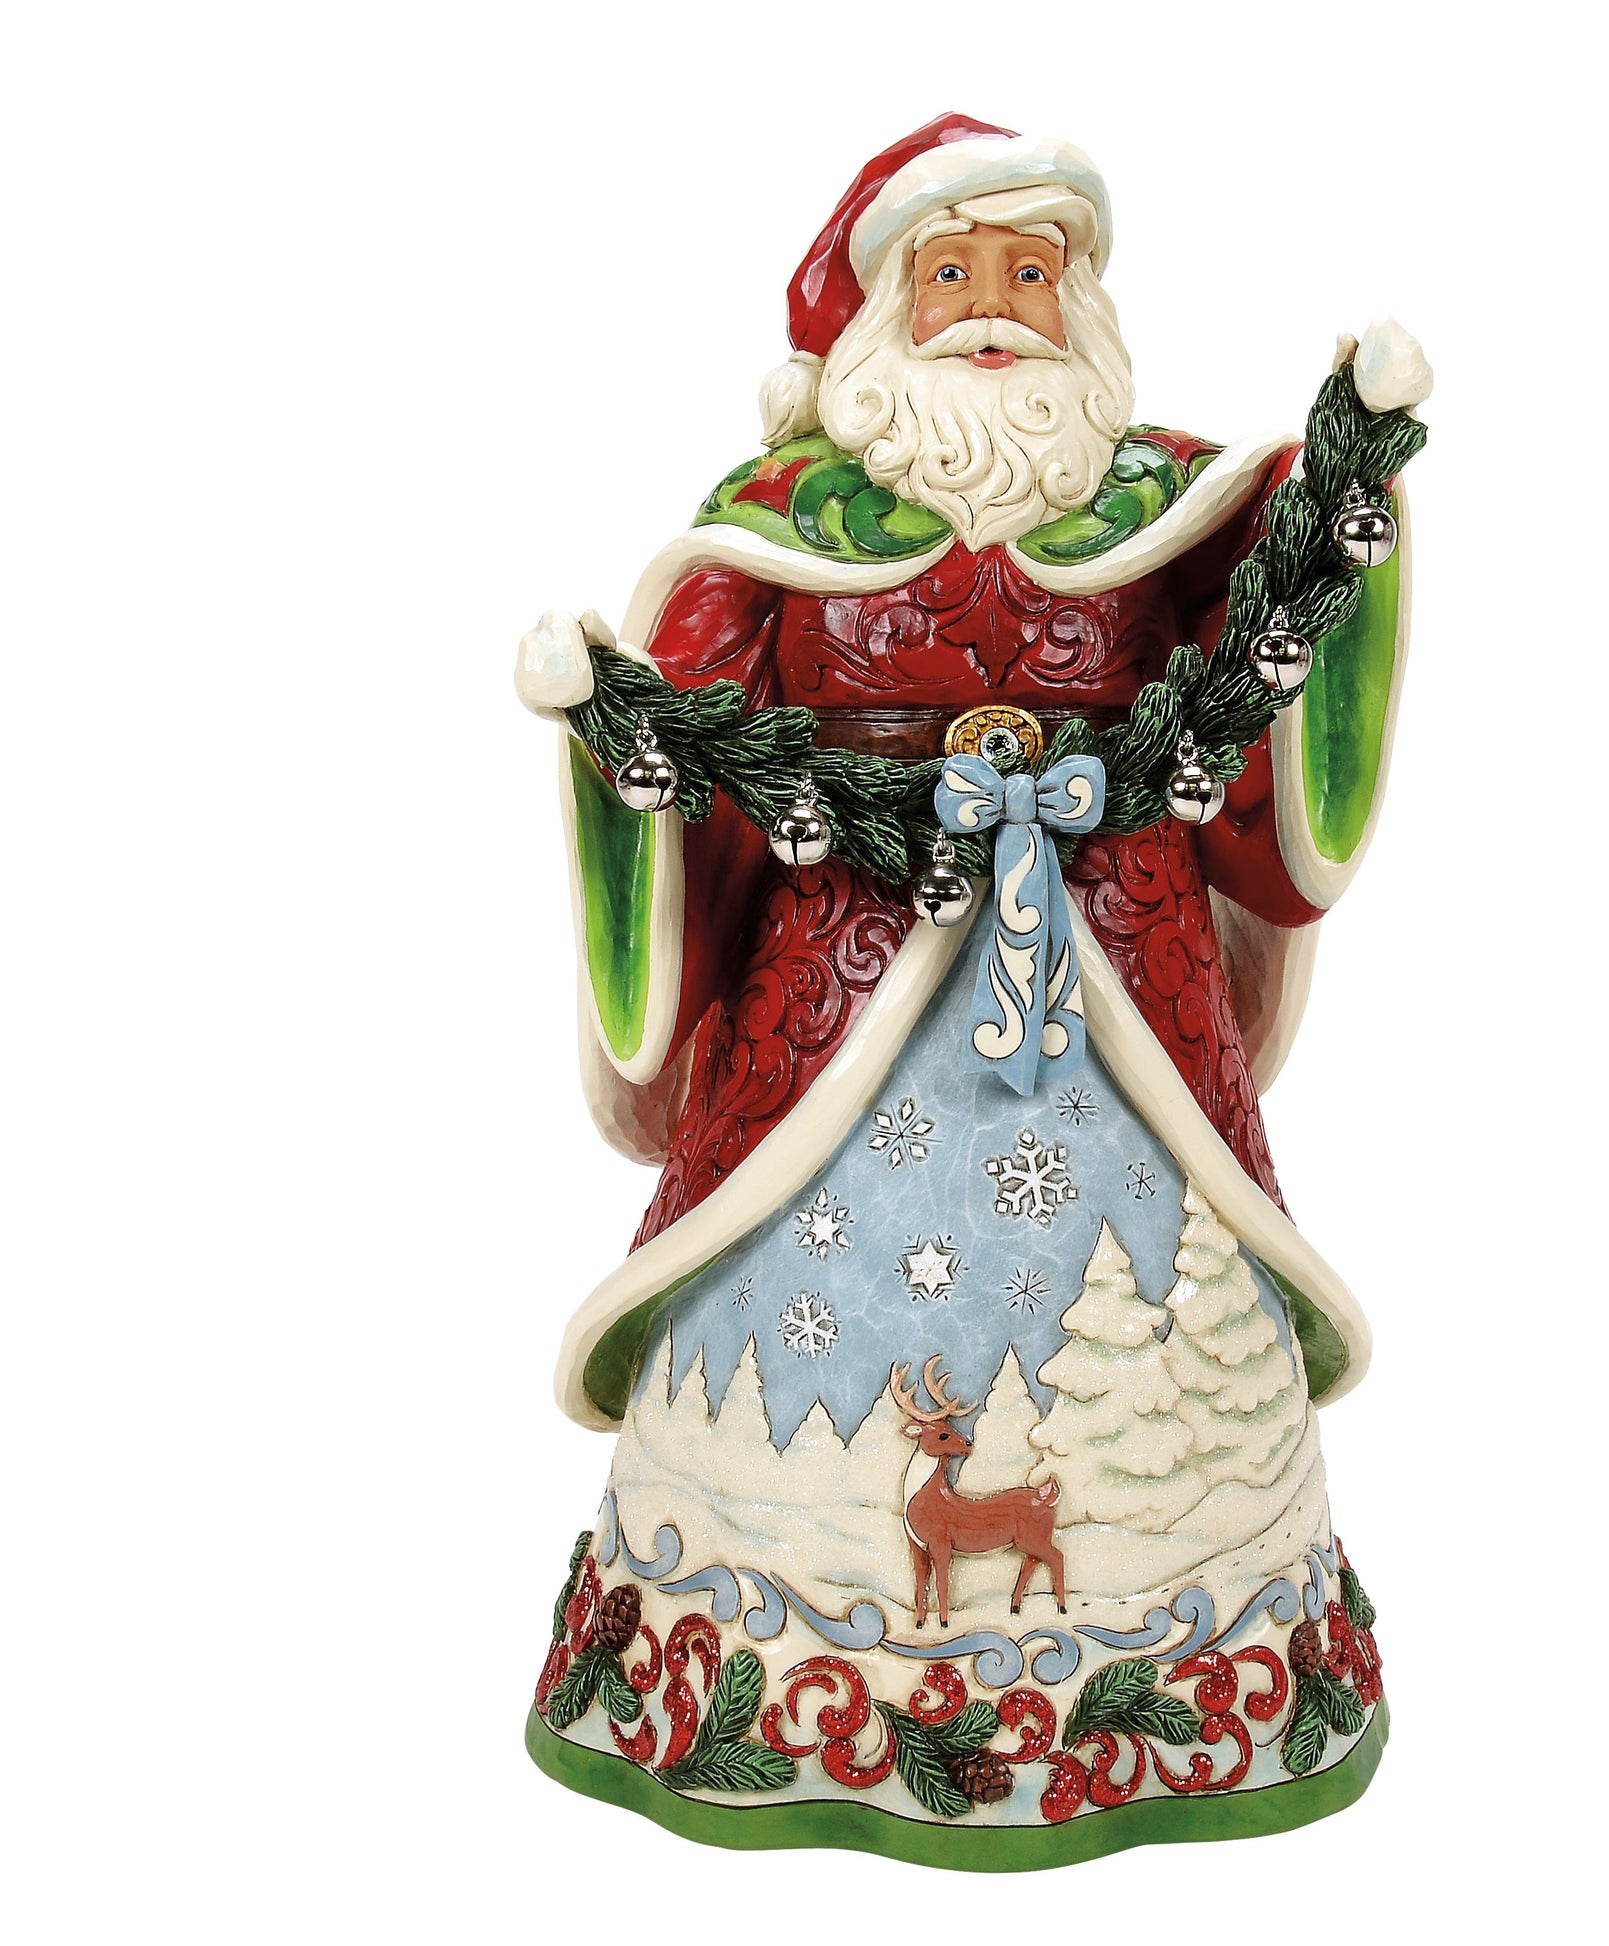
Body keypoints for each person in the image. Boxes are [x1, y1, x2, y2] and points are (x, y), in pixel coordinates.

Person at [518, 113, 1427, 1862]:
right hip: (839, 973)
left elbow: (1265, 642)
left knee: (1151, 1273)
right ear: (887, 316)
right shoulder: (785, 523)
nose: (994, 305)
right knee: (783, 1263)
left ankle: (1179, 1681)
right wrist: (615, 734)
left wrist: (1338, 490)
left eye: (1030, 270)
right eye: (951, 272)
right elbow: (693, 741)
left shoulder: (1158, 502)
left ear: (1080, 305)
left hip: (1112, 963)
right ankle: (764, 1667)